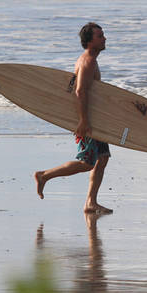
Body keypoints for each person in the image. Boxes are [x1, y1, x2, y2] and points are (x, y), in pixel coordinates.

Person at [34, 22, 113, 214]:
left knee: (102, 159)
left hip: (95, 118)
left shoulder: (92, 60)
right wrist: (83, 121)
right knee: (86, 163)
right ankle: (44, 175)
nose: (104, 38)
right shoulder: (87, 61)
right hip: (87, 119)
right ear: (89, 41)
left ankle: (91, 202)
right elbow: (79, 92)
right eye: (100, 36)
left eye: (103, 35)